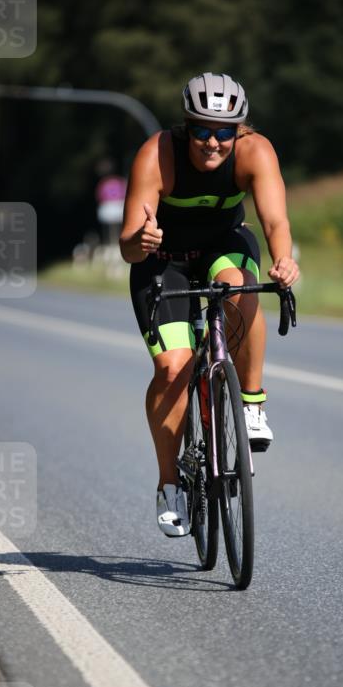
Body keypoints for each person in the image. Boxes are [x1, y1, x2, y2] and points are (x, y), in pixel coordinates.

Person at [119, 72, 299, 537]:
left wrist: (283, 261)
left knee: (240, 287)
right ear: (186, 126)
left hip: (224, 245)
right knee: (173, 369)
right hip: (163, 260)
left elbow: (275, 221)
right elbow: (128, 247)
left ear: (240, 130)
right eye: (201, 130)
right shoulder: (157, 154)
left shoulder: (256, 151)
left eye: (224, 132)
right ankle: (169, 484)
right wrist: (141, 241)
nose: (212, 142)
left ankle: (251, 404)